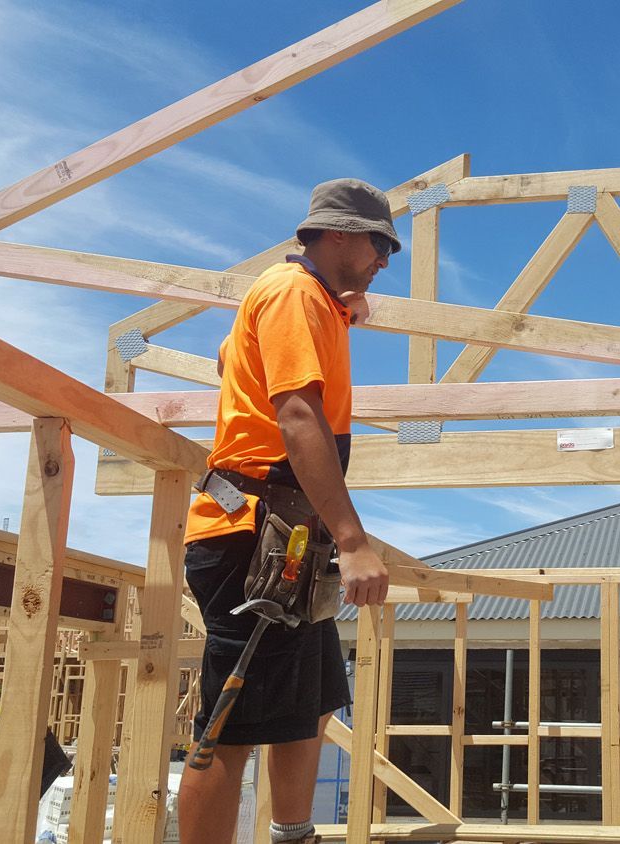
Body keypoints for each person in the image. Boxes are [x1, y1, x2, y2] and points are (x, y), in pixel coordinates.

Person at [177, 179, 398, 844]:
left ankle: (291, 835)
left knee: (306, 703)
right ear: (337, 233)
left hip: (288, 538)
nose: (385, 260)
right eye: (378, 244)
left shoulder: (307, 302)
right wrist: (353, 539)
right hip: (250, 538)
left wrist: (344, 308)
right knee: (231, 726)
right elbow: (298, 415)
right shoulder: (293, 292)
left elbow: (228, 357)